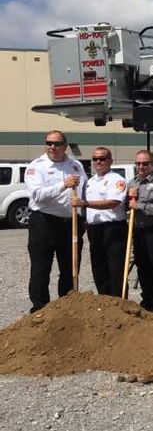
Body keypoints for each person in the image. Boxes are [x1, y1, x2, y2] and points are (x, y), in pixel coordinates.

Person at [26, 130, 87, 312]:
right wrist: (63, 185)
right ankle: (39, 308)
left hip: (70, 222)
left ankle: (65, 307)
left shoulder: (75, 165)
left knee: (70, 266)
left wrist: (83, 215)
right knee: (41, 267)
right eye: (49, 143)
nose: (53, 147)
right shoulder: (36, 167)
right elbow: (37, 196)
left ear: (65, 146)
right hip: (44, 221)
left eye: (57, 144)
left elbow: (83, 190)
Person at [74, 147, 127, 297]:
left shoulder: (116, 180)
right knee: (99, 267)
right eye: (95, 159)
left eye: (102, 158)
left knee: (115, 268)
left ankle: (119, 303)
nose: (98, 162)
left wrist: (85, 203)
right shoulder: (90, 182)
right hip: (94, 229)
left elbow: (113, 202)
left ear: (110, 161)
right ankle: (104, 301)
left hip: (113, 228)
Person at [127, 150, 153, 312]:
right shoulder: (132, 183)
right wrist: (129, 200)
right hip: (138, 231)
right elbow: (127, 207)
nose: (141, 166)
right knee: (142, 266)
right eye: (138, 163)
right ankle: (148, 300)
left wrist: (138, 205)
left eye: (145, 163)